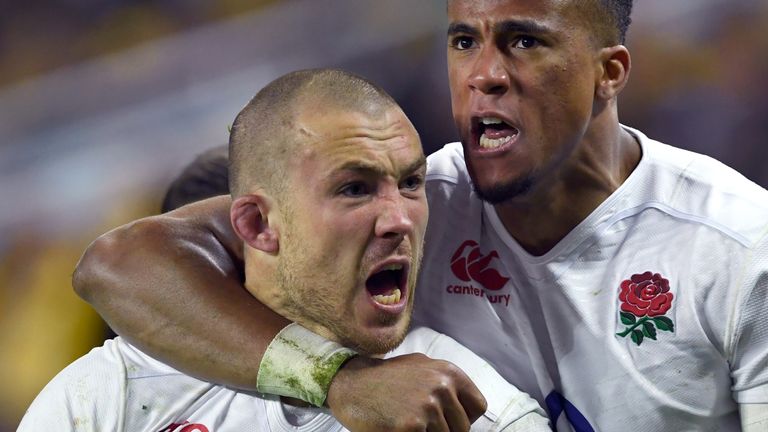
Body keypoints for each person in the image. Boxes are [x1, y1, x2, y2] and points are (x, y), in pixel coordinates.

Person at [73, 1, 768, 431]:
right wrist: (340, 380)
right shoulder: (406, 205)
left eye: (525, 41)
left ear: (610, 72)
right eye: (465, 41)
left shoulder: (737, 248)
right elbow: (120, 264)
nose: (484, 73)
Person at [20, 69, 549, 431]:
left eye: (411, 184)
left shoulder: (478, 409)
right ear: (256, 224)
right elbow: (112, 261)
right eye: (355, 189)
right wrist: (337, 380)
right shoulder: (112, 393)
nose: (399, 219)